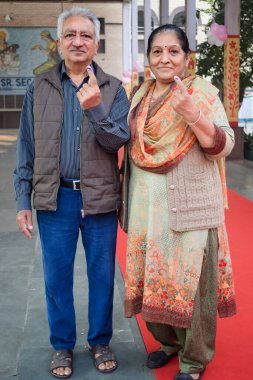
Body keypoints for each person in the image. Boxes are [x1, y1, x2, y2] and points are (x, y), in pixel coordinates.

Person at [13, 6, 129, 379]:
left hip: (99, 198)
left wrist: (95, 110)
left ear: (96, 43)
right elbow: (26, 147)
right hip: (55, 198)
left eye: (86, 36)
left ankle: (100, 341)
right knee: (56, 277)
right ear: (61, 42)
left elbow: (117, 142)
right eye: (71, 35)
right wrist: (21, 201)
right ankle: (62, 345)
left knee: (102, 276)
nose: (78, 41)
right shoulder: (40, 85)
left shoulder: (113, 88)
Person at [124, 24, 236, 380]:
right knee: (153, 280)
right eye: (157, 51)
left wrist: (192, 114)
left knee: (190, 286)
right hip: (146, 208)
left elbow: (225, 145)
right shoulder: (140, 95)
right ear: (149, 59)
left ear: (187, 58)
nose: (165, 58)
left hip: (189, 207)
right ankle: (168, 344)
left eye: (173, 51)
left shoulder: (201, 93)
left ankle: (194, 360)